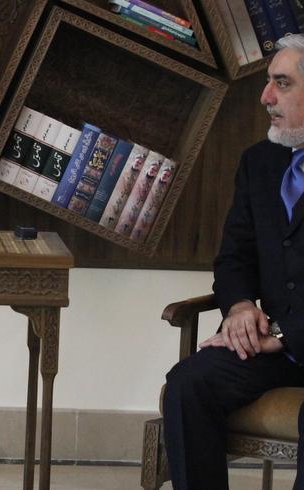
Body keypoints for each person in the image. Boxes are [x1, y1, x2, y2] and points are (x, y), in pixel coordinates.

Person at [163, 33, 304, 489]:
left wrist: (282, 334)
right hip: (275, 348)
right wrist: (241, 306)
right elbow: (234, 256)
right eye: (268, 82)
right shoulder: (258, 162)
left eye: (282, 83)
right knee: (190, 383)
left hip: (287, 338)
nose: (266, 97)